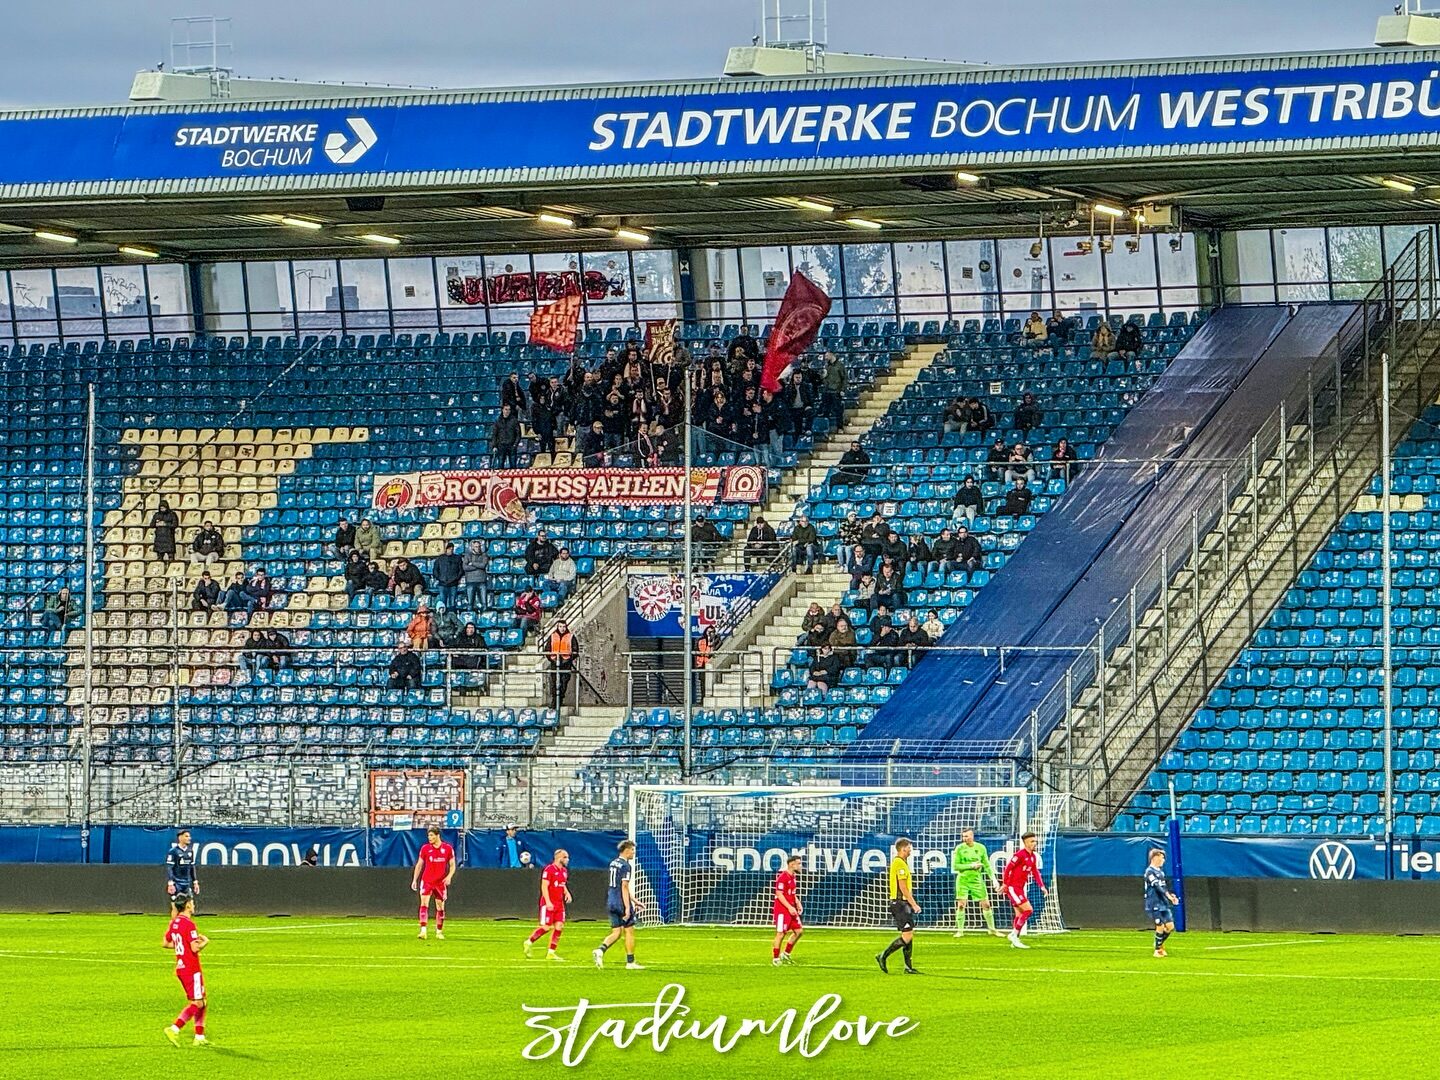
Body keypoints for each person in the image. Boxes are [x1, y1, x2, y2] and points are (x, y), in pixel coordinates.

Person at [162, 893, 210, 1047]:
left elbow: (165, 943)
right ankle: (174, 1028)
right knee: (198, 1002)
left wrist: (181, 946)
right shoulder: (189, 924)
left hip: (182, 967)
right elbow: (194, 948)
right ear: (188, 905)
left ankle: (199, 1037)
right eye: (192, 903)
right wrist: (205, 942)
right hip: (191, 968)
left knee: (202, 1001)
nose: (194, 905)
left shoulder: (175, 923)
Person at [594, 839, 645, 970]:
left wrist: (634, 900)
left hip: (611, 900)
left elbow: (621, 887)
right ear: (627, 850)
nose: (634, 853)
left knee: (616, 933)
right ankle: (630, 962)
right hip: (621, 902)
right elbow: (624, 886)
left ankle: (600, 950)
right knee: (629, 931)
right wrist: (628, 907)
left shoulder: (613, 863)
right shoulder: (626, 866)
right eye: (633, 850)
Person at [876, 837, 920, 974]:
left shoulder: (901, 863)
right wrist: (914, 904)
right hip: (900, 903)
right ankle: (883, 955)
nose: (910, 851)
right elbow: (903, 887)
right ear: (903, 848)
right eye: (909, 848)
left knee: (909, 934)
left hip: (902, 903)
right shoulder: (899, 863)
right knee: (907, 936)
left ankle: (908, 967)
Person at [951, 827, 1001, 938]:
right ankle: (960, 931)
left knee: (986, 905)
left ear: (972, 836)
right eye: (963, 836)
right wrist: (971, 866)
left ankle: (992, 929)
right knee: (961, 905)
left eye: (967, 836)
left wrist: (993, 879)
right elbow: (955, 866)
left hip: (977, 880)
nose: (964, 839)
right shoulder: (959, 848)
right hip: (963, 880)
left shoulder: (981, 848)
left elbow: (987, 865)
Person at [524, 848, 572, 962]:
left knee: (559, 927)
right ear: (558, 858)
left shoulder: (564, 871)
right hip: (548, 903)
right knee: (546, 927)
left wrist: (566, 892)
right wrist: (548, 901)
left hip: (559, 904)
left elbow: (562, 884)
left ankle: (551, 953)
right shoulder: (549, 870)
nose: (567, 859)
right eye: (565, 857)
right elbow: (544, 886)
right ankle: (529, 942)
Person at [1003, 831, 1048, 949]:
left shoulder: (1033, 857)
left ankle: (1014, 940)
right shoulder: (1020, 855)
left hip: (1020, 888)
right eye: (1032, 841)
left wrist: (1042, 886)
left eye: (1035, 841)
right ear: (1025, 843)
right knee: (1028, 910)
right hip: (1013, 887)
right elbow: (1008, 868)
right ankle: (1014, 935)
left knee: (1019, 913)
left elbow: (1035, 872)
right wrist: (1005, 884)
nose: (1035, 843)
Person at [411, 825, 456, 940]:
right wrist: (415, 879)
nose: (429, 838)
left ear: (437, 835)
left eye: (431, 835)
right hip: (427, 881)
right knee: (424, 904)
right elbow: (419, 864)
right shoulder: (425, 848)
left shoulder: (447, 849)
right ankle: (423, 931)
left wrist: (449, 876)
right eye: (428, 835)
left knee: (440, 907)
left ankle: (439, 931)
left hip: (440, 883)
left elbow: (452, 865)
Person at [1145, 848, 1180, 958]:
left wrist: (1170, 895)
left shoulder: (1160, 872)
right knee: (1159, 926)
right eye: (1162, 857)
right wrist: (1168, 896)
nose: (1163, 860)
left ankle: (1158, 943)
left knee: (1170, 926)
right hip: (1154, 902)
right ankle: (1157, 950)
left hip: (1163, 902)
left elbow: (1163, 887)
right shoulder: (1149, 871)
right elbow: (1157, 886)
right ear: (1155, 858)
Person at [771, 852, 805, 966]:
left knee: (799, 931)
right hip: (782, 910)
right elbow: (779, 894)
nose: (801, 866)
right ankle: (776, 959)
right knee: (781, 934)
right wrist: (790, 907)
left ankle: (785, 954)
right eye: (799, 864)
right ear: (791, 864)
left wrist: (797, 903)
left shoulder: (793, 877)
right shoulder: (782, 877)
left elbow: (792, 893)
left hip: (791, 908)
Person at [543, 620, 578, 710]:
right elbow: (547, 649)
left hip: (566, 662)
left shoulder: (571, 637)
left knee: (563, 682)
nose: (562, 629)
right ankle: (554, 701)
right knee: (554, 682)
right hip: (555, 662)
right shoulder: (552, 636)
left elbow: (575, 650)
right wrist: (551, 658)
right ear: (557, 627)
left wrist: (569, 659)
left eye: (564, 627)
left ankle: (560, 699)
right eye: (560, 627)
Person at [166, 828, 198, 901]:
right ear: (180, 837)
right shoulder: (173, 851)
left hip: (187, 883)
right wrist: (170, 883)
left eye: (189, 836)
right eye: (186, 836)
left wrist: (195, 882)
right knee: (176, 905)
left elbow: (192, 867)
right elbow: (169, 868)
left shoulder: (190, 851)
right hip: (177, 883)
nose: (189, 838)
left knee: (189, 905)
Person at [432, 542, 463, 610]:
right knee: (443, 602)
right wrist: (439, 578)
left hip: (453, 584)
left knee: (452, 602)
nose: (451, 550)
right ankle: (444, 617)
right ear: (446, 549)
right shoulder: (440, 558)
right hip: (442, 583)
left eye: (452, 549)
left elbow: (461, 570)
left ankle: (452, 616)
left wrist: (456, 578)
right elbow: (435, 570)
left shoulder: (457, 558)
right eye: (449, 549)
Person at [491, 402, 522, 469]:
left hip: (511, 446)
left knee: (513, 466)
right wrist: (494, 446)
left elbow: (518, 434)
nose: (507, 411)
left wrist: (515, 445)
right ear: (502, 410)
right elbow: (494, 435)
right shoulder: (498, 421)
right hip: (501, 446)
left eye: (509, 410)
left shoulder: (514, 421)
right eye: (506, 409)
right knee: (500, 465)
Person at [462, 540, 490, 610]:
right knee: (470, 603)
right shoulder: (467, 555)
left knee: (484, 603)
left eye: (479, 546)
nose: (477, 548)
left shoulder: (484, 555)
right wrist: (478, 566)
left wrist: (472, 563)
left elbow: (483, 565)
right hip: (470, 581)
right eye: (476, 546)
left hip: (481, 581)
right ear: (472, 547)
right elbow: (465, 567)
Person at [821, 350, 847, 426]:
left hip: (836, 391)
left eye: (827, 356)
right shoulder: (826, 366)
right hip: (827, 391)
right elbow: (824, 378)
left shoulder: (840, 365)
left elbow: (844, 378)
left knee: (838, 410)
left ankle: (840, 427)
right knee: (826, 410)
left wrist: (842, 389)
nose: (825, 357)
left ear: (832, 355)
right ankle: (825, 427)